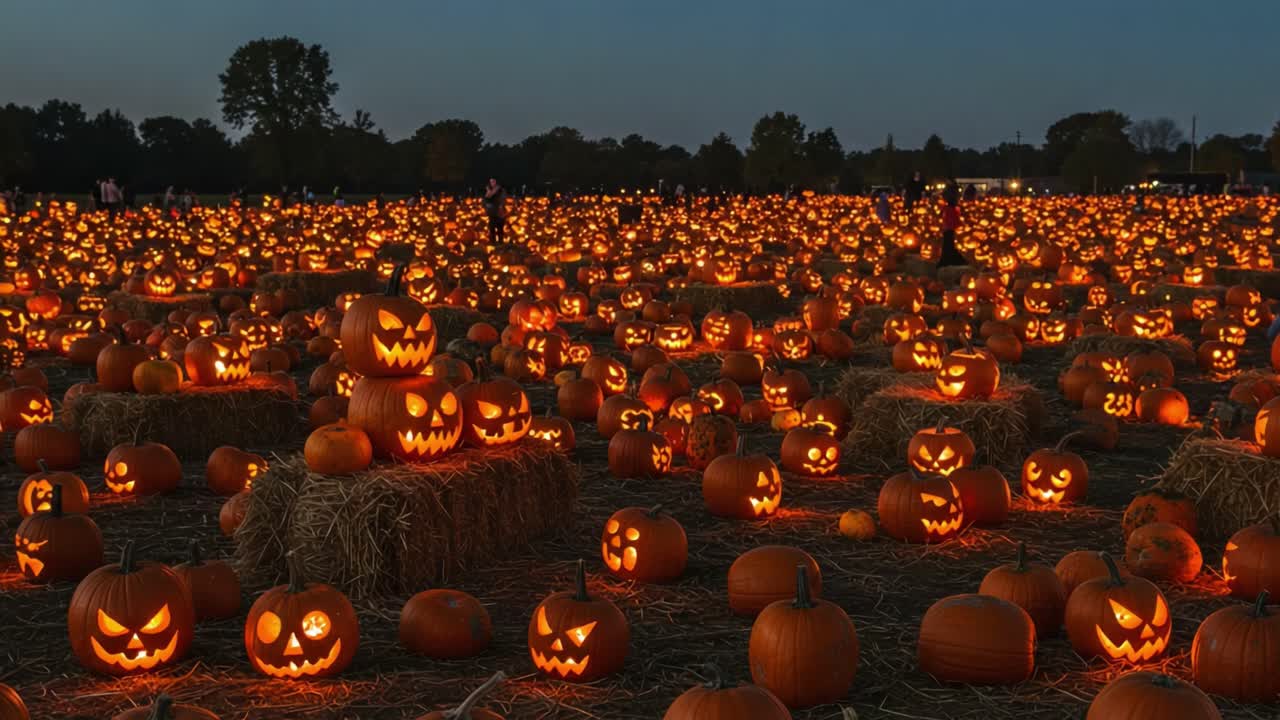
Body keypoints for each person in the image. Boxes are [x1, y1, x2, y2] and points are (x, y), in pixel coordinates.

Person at [937, 187, 966, 267]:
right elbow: (955, 220)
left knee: (948, 246)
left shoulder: (947, 208)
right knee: (950, 246)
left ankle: (948, 260)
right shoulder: (953, 209)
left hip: (948, 229)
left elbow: (941, 217)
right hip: (951, 229)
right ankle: (951, 260)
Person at [483, 178, 508, 244]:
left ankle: (500, 242)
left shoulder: (501, 190)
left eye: (493, 181)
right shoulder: (488, 191)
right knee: (492, 228)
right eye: (491, 182)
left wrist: (500, 205)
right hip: (491, 212)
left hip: (499, 212)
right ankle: (493, 242)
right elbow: (485, 201)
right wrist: (486, 206)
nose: (492, 183)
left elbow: (502, 200)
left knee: (500, 228)